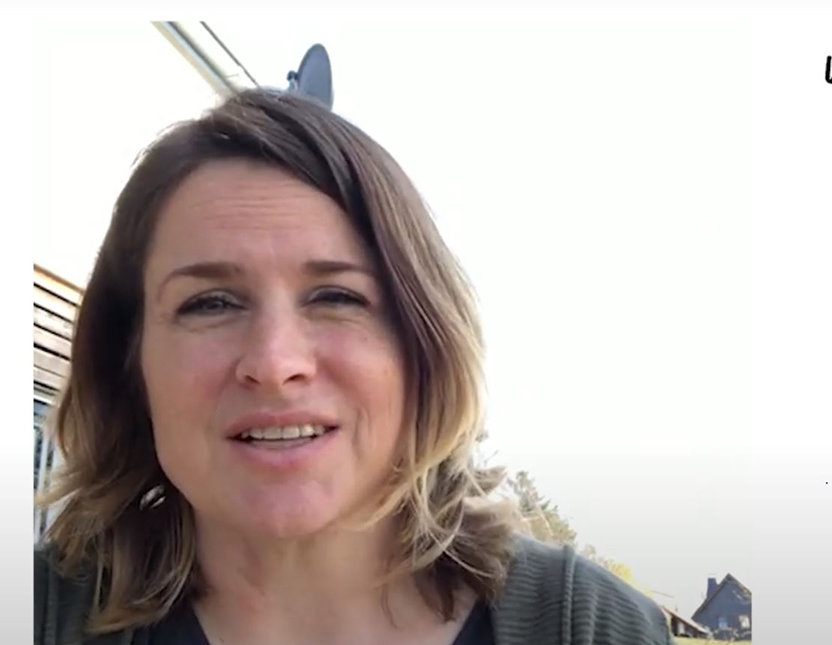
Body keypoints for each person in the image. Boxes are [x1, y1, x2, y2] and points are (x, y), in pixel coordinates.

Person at [33, 88, 671, 645]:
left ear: (425, 344)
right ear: (129, 361)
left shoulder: (591, 627)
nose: (275, 363)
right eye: (211, 303)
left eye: (337, 297)